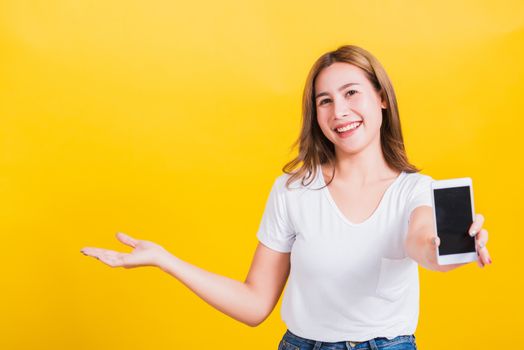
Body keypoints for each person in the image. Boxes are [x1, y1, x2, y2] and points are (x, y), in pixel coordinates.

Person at [81, 45, 491, 350]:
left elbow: (422, 242)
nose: (339, 112)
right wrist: (165, 260)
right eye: (324, 101)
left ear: (381, 98)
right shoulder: (294, 191)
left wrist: (449, 247)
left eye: (352, 93)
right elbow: (255, 304)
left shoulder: (414, 190)